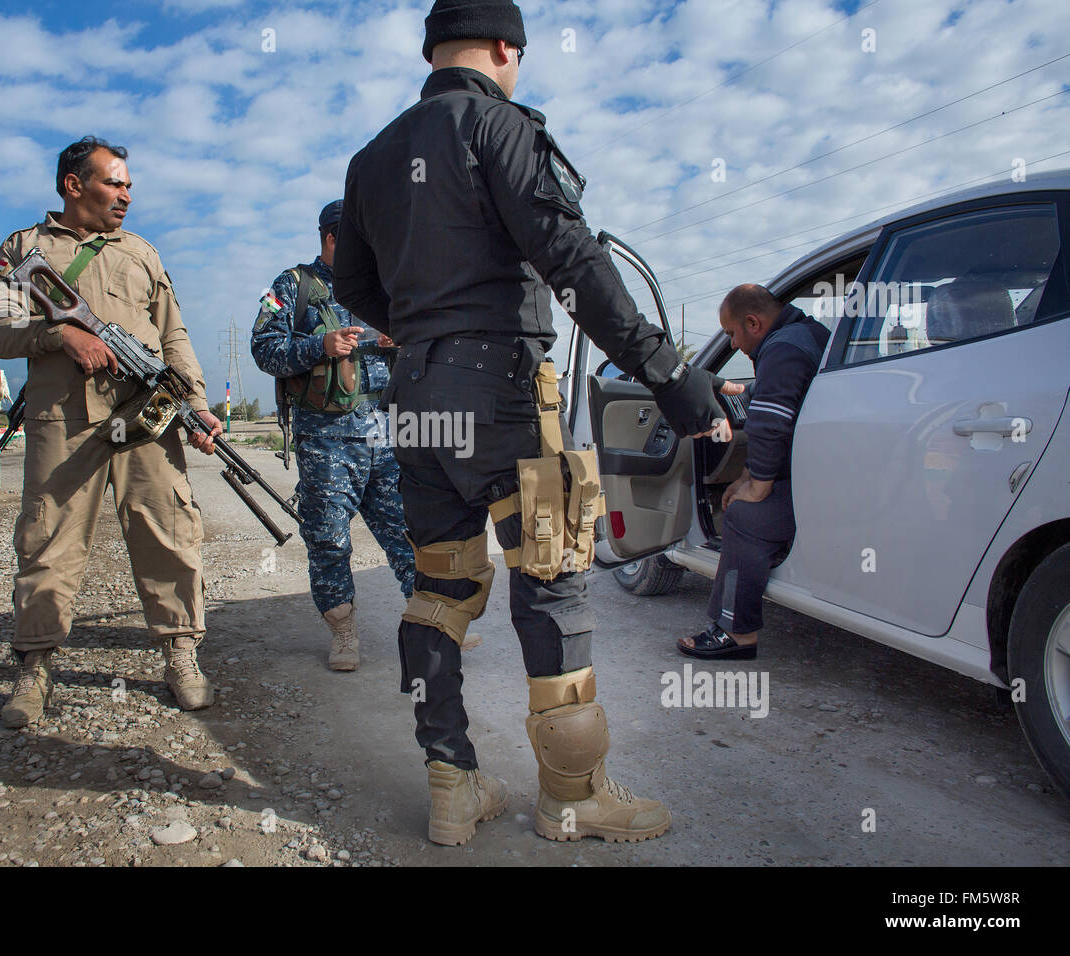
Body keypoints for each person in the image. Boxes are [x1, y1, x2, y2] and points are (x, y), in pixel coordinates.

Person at [334, 0, 734, 846]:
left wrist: (423, 331)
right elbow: (576, 261)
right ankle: (572, 796)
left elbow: (356, 290)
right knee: (553, 578)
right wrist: (674, 379)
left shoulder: (371, 160)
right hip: (503, 393)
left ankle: (453, 789)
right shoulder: (501, 127)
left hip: (413, 398)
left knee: (441, 588)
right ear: (507, 49)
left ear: (432, 52)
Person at [0, 135, 224, 729]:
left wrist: (195, 404)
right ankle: (34, 668)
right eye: (115, 183)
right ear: (73, 185)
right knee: (49, 541)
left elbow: (173, 336)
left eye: (129, 186)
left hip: (147, 419)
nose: (126, 195)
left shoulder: (142, 252)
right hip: (63, 421)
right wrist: (61, 336)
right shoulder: (25, 248)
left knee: (168, 530)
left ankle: (180, 653)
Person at [251, 201, 416, 670]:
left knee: (407, 530)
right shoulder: (289, 286)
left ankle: (433, 622)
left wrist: (396, 339)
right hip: (325, 440)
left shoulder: (380, 285)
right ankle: (343, 632)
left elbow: (417, 338)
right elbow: (263, 350)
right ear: (332, 239)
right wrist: (318, 346)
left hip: (383, 432)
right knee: (328, 538)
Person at [678, 284, 830, 660]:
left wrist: (757, 486)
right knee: (744, 495)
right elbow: (770, 400)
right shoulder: (807, 336)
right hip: (825, 476)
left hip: (818, 490)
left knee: (744, 514)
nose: (731, 345)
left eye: (731, 334)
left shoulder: (782, 349)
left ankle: (735, 632)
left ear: (753, 322)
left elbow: (770, 423)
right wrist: (748, 475)